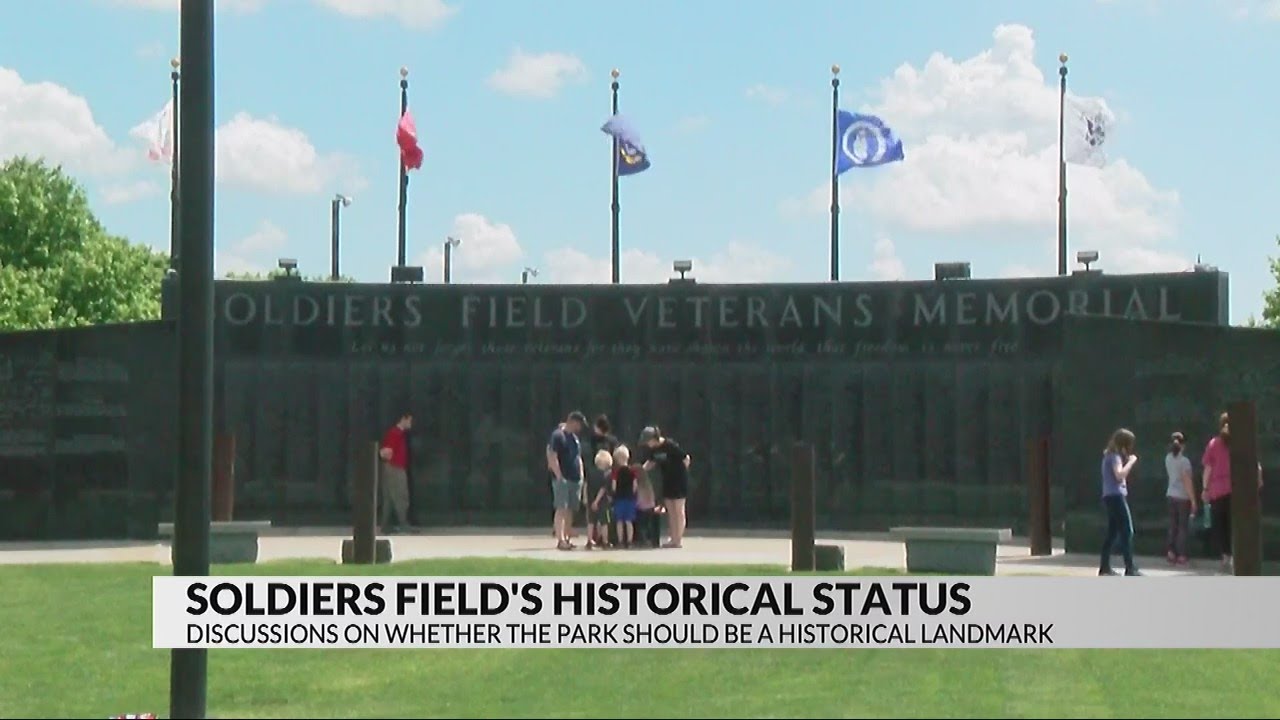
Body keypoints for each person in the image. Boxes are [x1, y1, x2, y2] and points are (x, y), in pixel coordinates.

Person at [1201, 412, 1264, 574]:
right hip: (1239, 491)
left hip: (1218, 491)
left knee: (1221, 526)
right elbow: (1256, 465)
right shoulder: (1243, 443)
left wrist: (1205, 489)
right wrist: (1257, 482)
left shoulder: (1214, 444)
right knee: (1238, 526)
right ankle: (1239, 557)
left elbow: (1208, 469)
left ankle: (1226, 557)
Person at [640, 426, 691, 549]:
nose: (648, 444)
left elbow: (686, 458)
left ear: (654, 438)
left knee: (678, 510)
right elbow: (650, 463)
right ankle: (672, 538)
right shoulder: (654, 450)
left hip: (679, 480)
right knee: (671, 511)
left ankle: (678, 539)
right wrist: (639, 471)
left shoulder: (670, 445)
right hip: (667, 480)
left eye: (648, 441)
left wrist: (682, 473)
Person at [1099, 428, 1141, 577]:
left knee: (1112, 533)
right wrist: (1131, 462)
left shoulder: (1107, 456)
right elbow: (1119, 475)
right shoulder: (1115, 456)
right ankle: (1130, 568)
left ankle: (1104, 567)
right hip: (1116, 496)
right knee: (1127, 531)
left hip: (1108, 496)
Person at [546, 411, 587, 551]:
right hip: (563, 478)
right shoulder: (558, 436)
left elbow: (578, 457)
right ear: (573, 421)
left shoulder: (574, 438)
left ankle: (567, 538)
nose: (580, 427)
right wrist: (559, 476)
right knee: (561, 508)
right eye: (579, 424)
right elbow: (552, 455)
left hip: (575, 478)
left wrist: (581, 475)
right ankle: (560, 539)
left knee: (570, 509)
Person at [1164, 431, 1196, 566]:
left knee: (1173, 525)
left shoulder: (1168, 458)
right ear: (1183, 445)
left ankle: (1171, 552)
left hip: (1171, 494)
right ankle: (1181, 554)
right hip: (1183, 497)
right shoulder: (1185, 462)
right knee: (1183, 527)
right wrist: (1193, 500)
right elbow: (1187, 481)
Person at [378, 413, 413, 533]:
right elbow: (386, 452)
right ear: (403, 419)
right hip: (395, 467)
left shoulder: (395, 433)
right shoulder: (396, 434)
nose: (410, 424)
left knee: (389, 497)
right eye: (409, 420)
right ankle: (403, 523)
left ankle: (385, 525)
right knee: (401, 495)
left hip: (391, 467)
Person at [611, 445, 638, 549]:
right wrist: (632, 493)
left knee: (619, 521)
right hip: (630, 498)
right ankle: (630, 541)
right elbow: (635, 485)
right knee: (629, 521)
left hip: (619, 499)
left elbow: (614, 486)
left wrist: (615, 493)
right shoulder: (632, 471)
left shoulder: (616, 472)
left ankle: (620, 541)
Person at [587, 449, 614, 549]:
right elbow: (603, 489)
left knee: (591, 521)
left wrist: (587, 499)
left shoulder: (590, 472)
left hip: (590, 499)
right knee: (604, 522)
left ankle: (589, 540)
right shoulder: (606, 475)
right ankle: (605, 541)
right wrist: (597, 501)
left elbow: (587, 485)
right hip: (601, 501)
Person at [634, 466, 662, 549]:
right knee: (648, 524)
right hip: (650, 507)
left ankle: (643, 540)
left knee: (641, 525)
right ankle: (650, 541)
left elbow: (637, 495)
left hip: (641, 507)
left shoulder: (637, 484)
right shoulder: (648, 484)